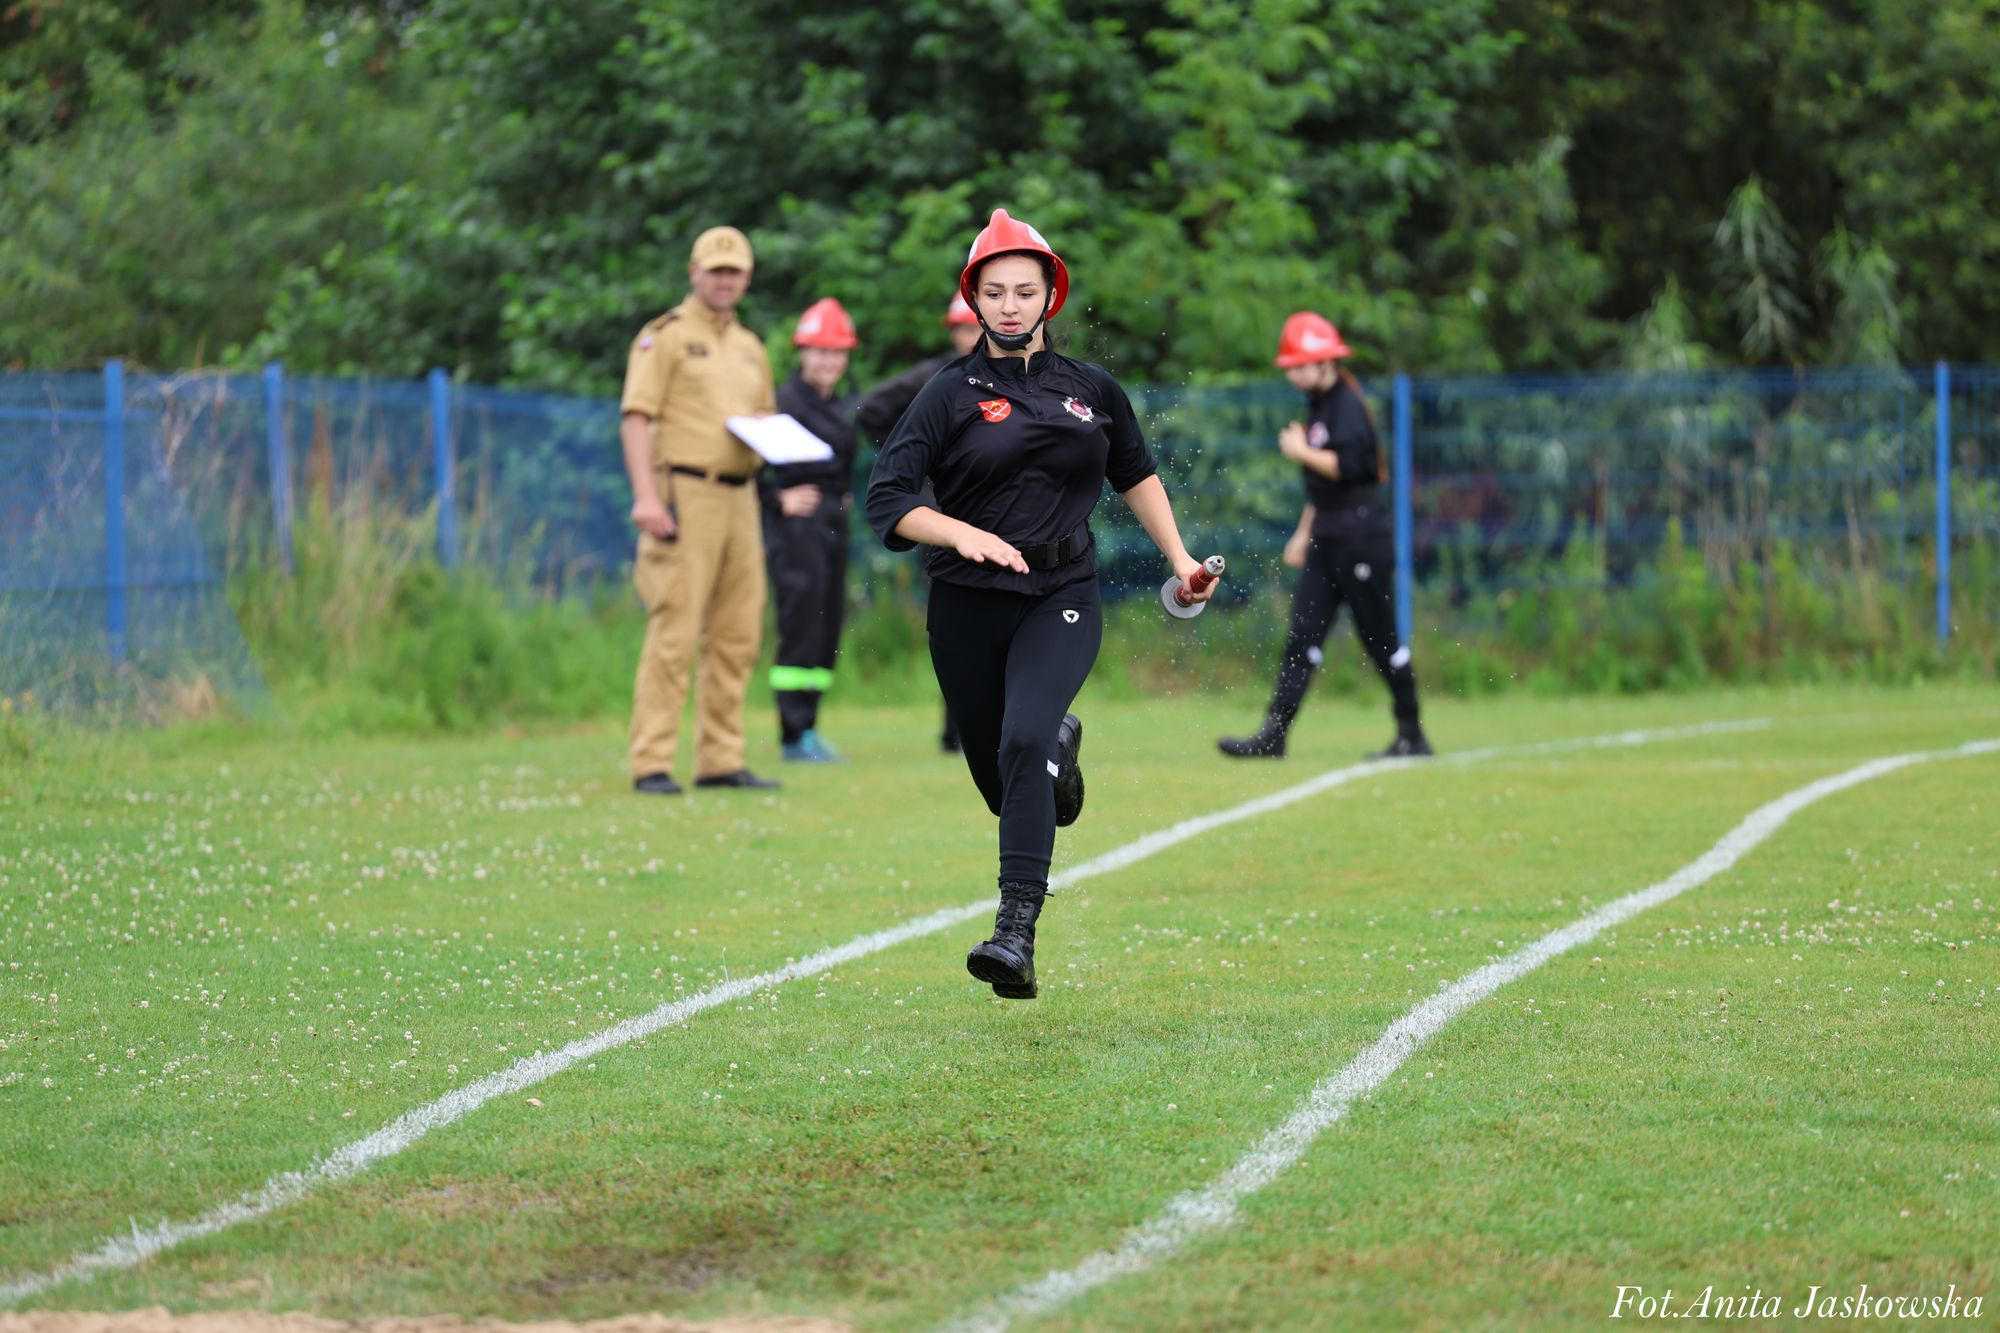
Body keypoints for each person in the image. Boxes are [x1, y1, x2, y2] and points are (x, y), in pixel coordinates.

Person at [866, 209, 1212, 1000]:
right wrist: (961, 533)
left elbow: (1136, 473)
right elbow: (888, 499)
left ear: (1050, 294)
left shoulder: (1092, 388)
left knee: (1022, 742)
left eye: (1025, 291)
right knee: (1007, 782)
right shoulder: (947, 394)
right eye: (995, 292)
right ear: (975, 299)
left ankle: (1014, 933)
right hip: (965, 604)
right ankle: (1058, 750)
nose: (1011, 305)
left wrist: (1181, 560)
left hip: (1062, 593)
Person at [1218, 311, 1432, 761]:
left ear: (1326, 362)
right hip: (1328, 538)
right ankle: (1274, 735)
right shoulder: (1320, 405)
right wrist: (1303, 533)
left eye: (1301, 365)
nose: (1293, 374)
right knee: (1303, 636)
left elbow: (1352, 469)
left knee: (1380, 639)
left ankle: (1412, 732)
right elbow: (1325, 488)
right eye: (1290, 366)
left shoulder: (1347, 406)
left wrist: (1302, 451)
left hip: (1361, 538)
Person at [619, 224, 782, 795]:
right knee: (675, 628)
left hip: (742, 497)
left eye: (734, 271)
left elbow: (765, 417)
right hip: (684, 494)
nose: (724, 280)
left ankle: (720, 758)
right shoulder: (663, 336)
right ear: (694, 273)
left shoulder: (750, 346)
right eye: (714, 270)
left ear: (747, 278)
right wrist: (646, 497)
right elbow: (636, 416)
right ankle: (651, 761)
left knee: (738, 631)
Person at [857, 293, 986, 754]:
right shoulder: (937, 378)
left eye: (976, 327)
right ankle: (957, 732)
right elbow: (871, 409)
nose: (972, 336)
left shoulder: (1013, 378)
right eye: (964, 328)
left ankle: (992, 726)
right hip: (943, 522)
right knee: (958, 628)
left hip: (998, 517)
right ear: (952, 332)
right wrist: (915, 463)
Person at [764, 297, 861, 763]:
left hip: (831, 525)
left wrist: (839, 495)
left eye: (837, 353)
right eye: (821, 351)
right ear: (802, 352)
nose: (829, 361)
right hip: (796, 529)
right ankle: (792, 731)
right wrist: (776, 499)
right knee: (800, 623)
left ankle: (810, 726)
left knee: (827, 624)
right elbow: (743, 461)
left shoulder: (839, 403)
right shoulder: (780, 402)